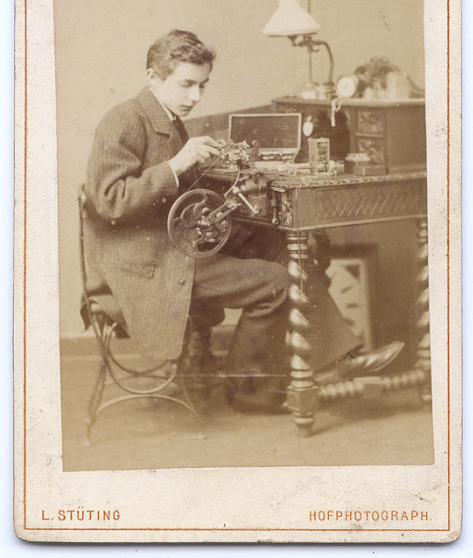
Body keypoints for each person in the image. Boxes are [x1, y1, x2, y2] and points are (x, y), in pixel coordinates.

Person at [84, 29, 403, 413]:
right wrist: (177, 165)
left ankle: (338, 359)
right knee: (275, 283)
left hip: (175, 245)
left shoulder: (166, 117)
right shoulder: (123, 120)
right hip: (146, 264)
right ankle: (247, 389)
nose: (195, 97)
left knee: (282, 247)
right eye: (187, 85)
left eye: (202, 85)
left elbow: (177, 199)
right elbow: (109, 202)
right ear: (153, 77)